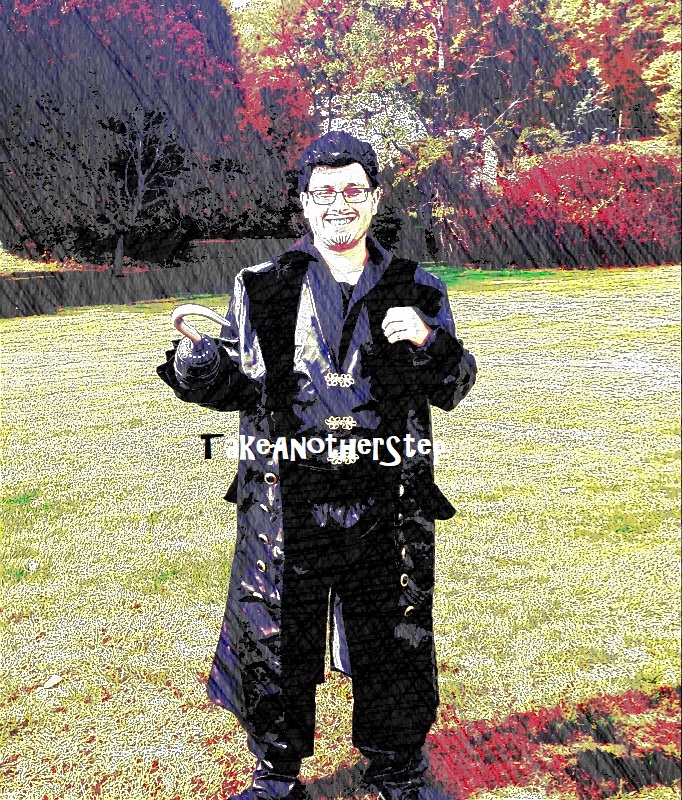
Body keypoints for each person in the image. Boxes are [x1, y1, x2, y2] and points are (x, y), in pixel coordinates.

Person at [158, 131, 477, 800]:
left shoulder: (415, 286)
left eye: (353, 189)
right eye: (324, 192)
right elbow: (235, 387)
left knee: (393, 635)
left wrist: (428, 340)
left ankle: (399, 770)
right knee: (277, 636)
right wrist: (197, 360)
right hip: (288, 500)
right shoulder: (263, 287)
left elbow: (454, 385)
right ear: (304, 202)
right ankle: (276, 776)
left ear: (375, 198)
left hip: (386, 496)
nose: (339, 203)